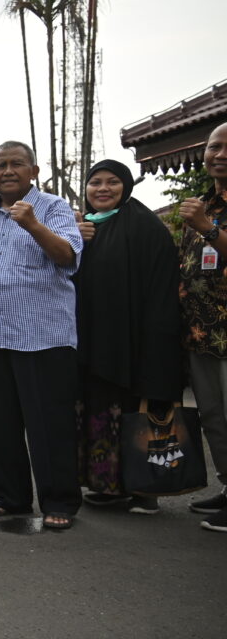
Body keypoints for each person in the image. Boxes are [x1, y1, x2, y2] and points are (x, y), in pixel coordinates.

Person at [0, 141, 83, 530]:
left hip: (42, 337)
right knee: (0, 422)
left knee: (49, 423)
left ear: (34, 171)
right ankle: (10, 497)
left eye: (17, 164)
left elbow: (68, 256)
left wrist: (31, 223)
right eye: (0, 165)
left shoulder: (54, 208)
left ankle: (59, 500)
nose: (8, 170)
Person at [72, 159, 184, 516]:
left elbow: (161, 288)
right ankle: (107, 485)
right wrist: (76, 239)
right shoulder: (84, 227)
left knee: (137, 412)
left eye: (112, 182)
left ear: (127, 186)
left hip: (135, 341)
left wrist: (155, 342)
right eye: (95, 183)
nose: (102, 189)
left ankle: (144, 489)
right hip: (93, 341)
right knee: (101, 410)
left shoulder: (144, 226)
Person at [176, 122, 227, 533]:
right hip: (201, 333)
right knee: (212, 416)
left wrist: (208, 228)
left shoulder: (204, 215)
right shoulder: (203, 202)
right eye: (215, 146)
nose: (220, 153)